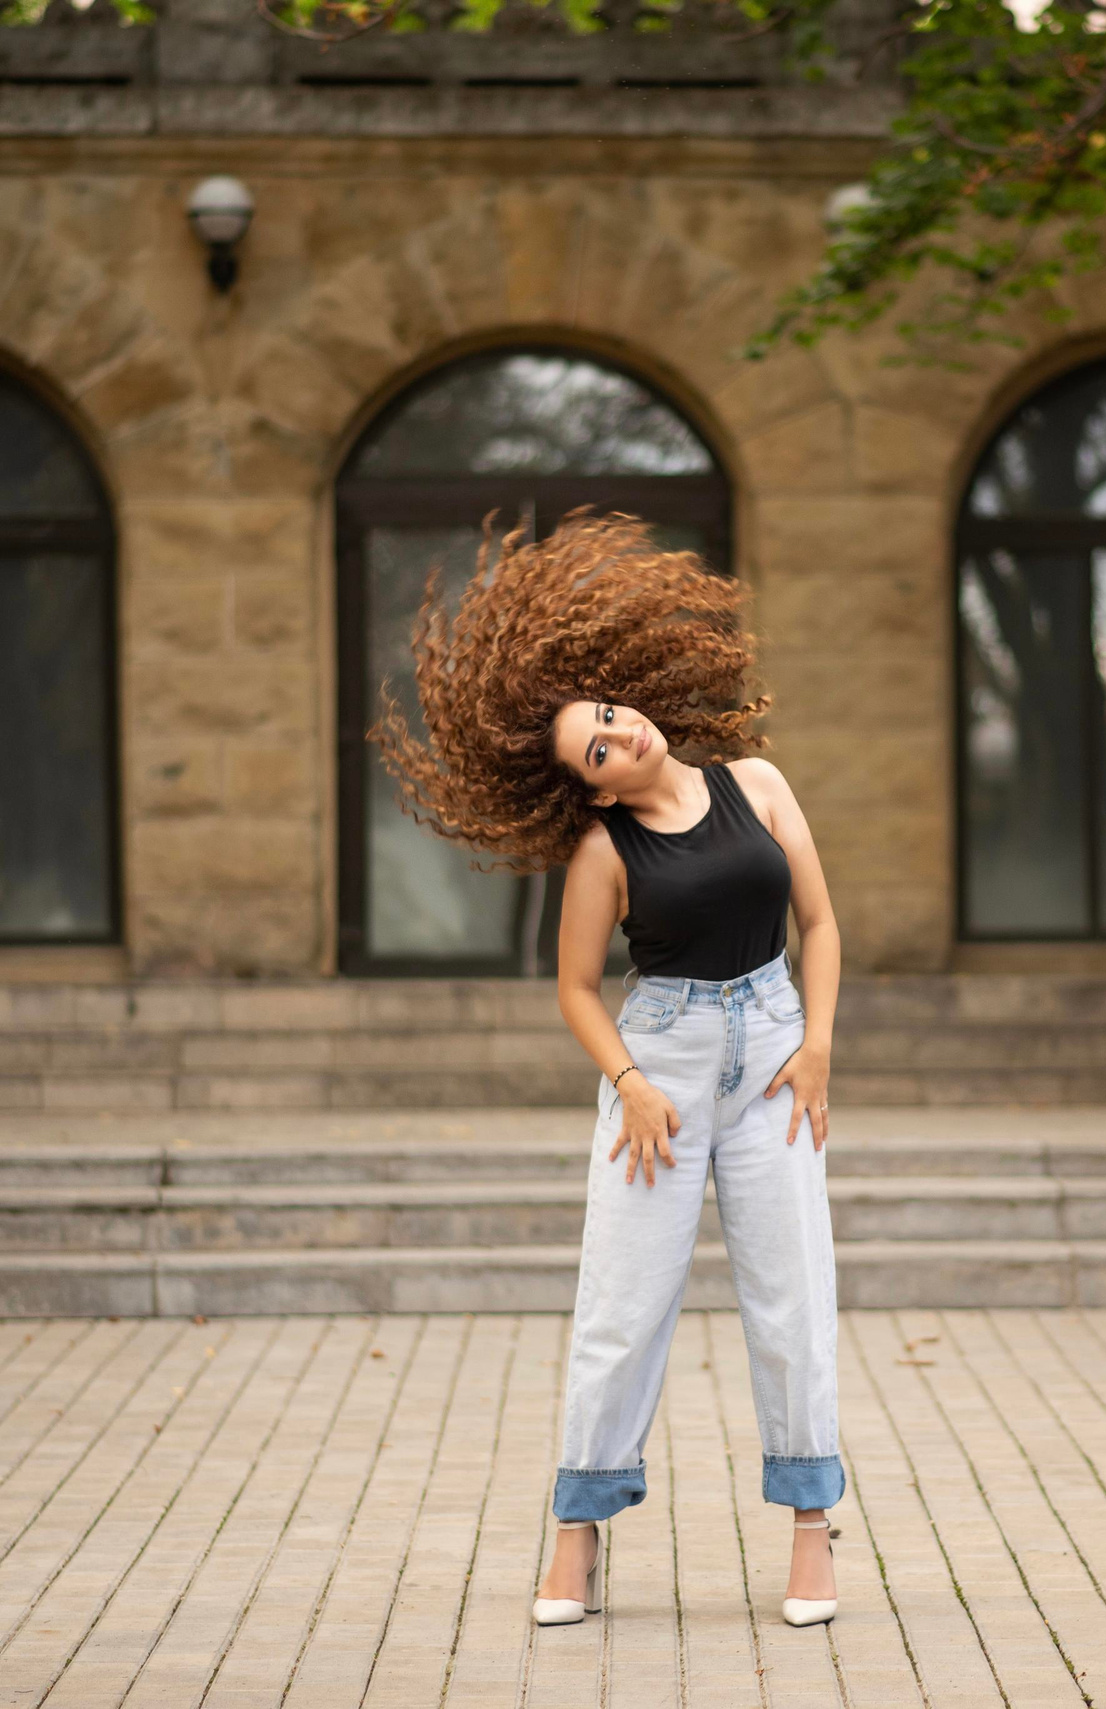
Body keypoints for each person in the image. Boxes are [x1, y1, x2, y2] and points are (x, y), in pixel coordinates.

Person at [374, 513, 845, 1632]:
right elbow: (578, 986)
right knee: (621, 1311)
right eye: (595, 749)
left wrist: (817, 1043)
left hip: (774, 1054)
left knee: (793, 1304)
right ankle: (576, 1535)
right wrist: (631, 1080)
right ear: (589, 788)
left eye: (612, 718)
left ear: (636, 705)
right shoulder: (602, 853)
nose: (617, 738)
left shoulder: (760, 785)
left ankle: (812, 1529)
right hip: (666, 1073)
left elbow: (819, 924)